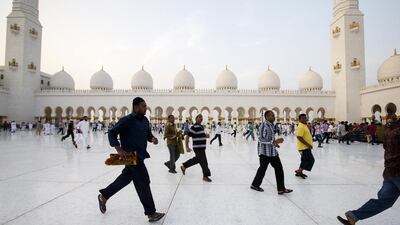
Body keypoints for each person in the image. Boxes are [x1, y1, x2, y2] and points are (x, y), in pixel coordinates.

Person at [98, 97, 165, 222]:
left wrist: (153, 139)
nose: (146, 108)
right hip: (130, 157)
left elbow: (148, 135)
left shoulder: (145, 121)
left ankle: (104, 196)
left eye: (146, 106)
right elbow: (112, 133)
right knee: (143, 182)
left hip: (140, 156)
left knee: (125, 179)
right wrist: (119, 149)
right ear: (135, 107)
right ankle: (151, 213)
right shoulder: (127, 120)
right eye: (143, 106)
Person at [337, 114, 400, 225]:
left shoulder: (389, 129)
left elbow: (385, 146)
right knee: (384, 201)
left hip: (389, 171)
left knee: (384, 201)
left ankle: (354, 216)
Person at [250, 110, 293, 195]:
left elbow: (270, 139)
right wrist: (275, 142)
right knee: (262, 169)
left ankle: (281, 189)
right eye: (272, 115)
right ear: (267, 117)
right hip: (264, 153)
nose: (274, 117)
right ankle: (255, 185)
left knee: (279, 169)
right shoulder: (263, 125)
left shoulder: (271, 125)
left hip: (272, 152)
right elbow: (261, 139)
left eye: (274, 115)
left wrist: (275, 144)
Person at [181, 114, 212, 182]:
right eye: (200, 117)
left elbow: (200, 135)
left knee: (198, 159)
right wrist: (187, 147)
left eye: (202, 117)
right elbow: (187, 137)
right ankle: (205, 176)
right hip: (198, 148)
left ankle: (184, 166)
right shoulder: (193, 127)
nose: (201, 118)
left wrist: (206, 136)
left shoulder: (201, 127)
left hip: (202, 148)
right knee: (204, 162)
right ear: (196, 118)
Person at [295, 114, 315, 179]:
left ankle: (299, 171)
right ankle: (299, 171)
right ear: (299, 119)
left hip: (305, 147)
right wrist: (308, 144)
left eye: (305, 118)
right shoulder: (301, 126)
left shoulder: (304, 125)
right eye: (302, 118)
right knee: (310, 160)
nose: (304, 119)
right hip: (304, 147)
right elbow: (299, 137)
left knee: (305, 160)